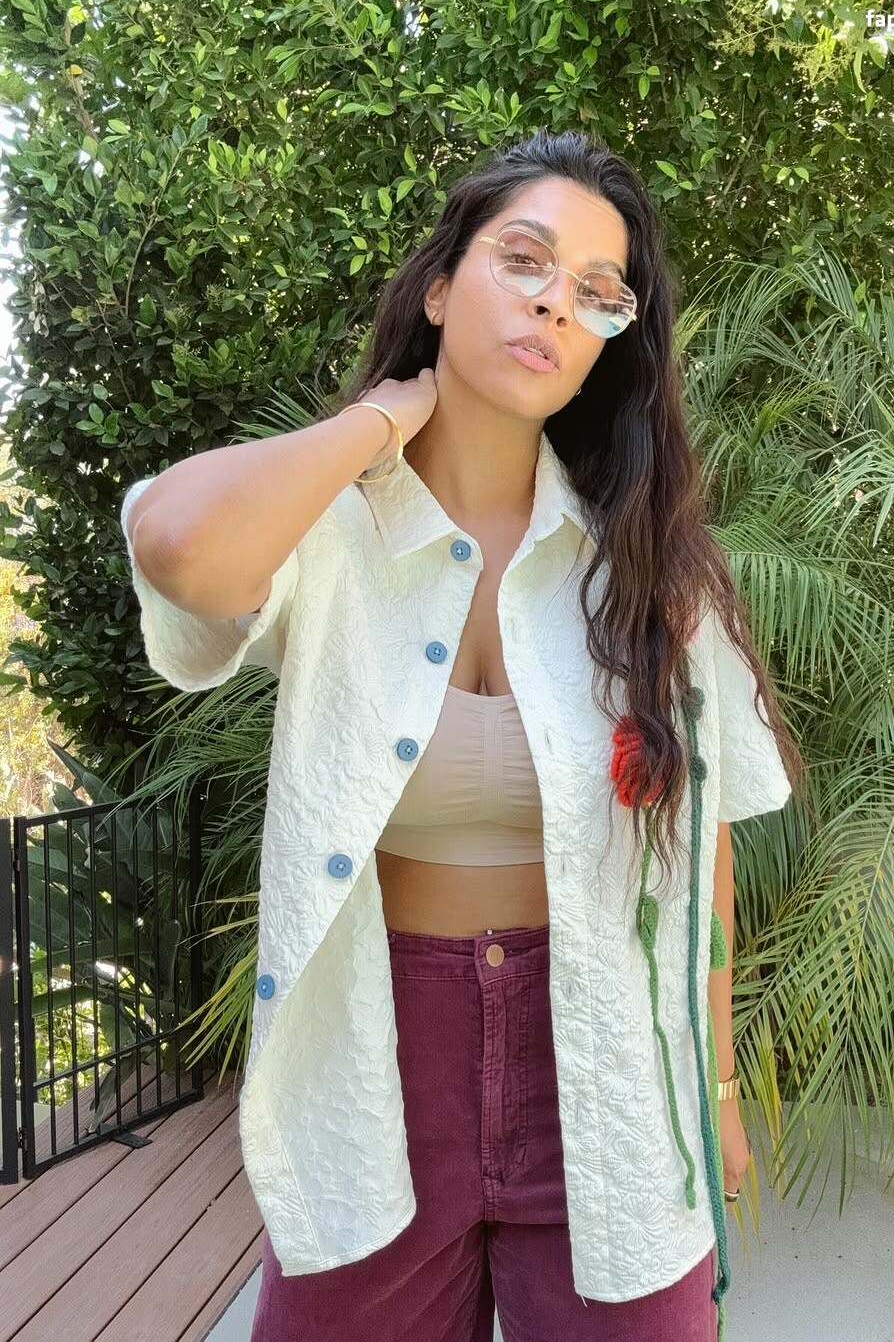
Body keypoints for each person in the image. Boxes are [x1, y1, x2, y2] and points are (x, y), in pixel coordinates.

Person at [119, 127, 803, 1342]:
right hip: (380, 1069)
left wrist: (718, 1085)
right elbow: (178, 545)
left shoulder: (650, 566)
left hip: (607, 1063)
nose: (555, 302)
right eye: (523, 260)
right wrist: (377, 424)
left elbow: (702, 848)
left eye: (598, 291)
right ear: (439, 287)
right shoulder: (332, 530)